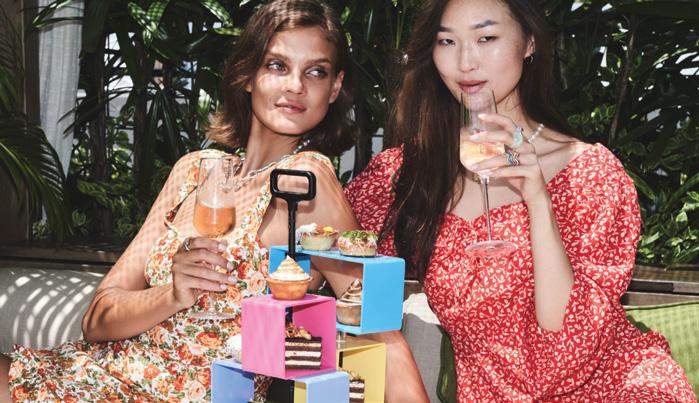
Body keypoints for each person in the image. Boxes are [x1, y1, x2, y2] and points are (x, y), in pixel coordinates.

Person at [0, 1, 427, 401]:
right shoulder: (193, 171)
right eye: (277, 65)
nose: (295, 86)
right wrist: (172, 294)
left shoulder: (304, 181)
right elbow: (97, 318)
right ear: (248, 75)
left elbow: (378, 328)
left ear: (334, 88)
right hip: (93, 373)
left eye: (316, 72)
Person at [345, 0, 696, 401]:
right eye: (447, 41)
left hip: (614, 388)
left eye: (486, 38)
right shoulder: (408, 174)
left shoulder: (589, 174)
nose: (465, 62)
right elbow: (329, 244)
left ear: (529, 42)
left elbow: (565, 348)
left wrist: (538, 201)